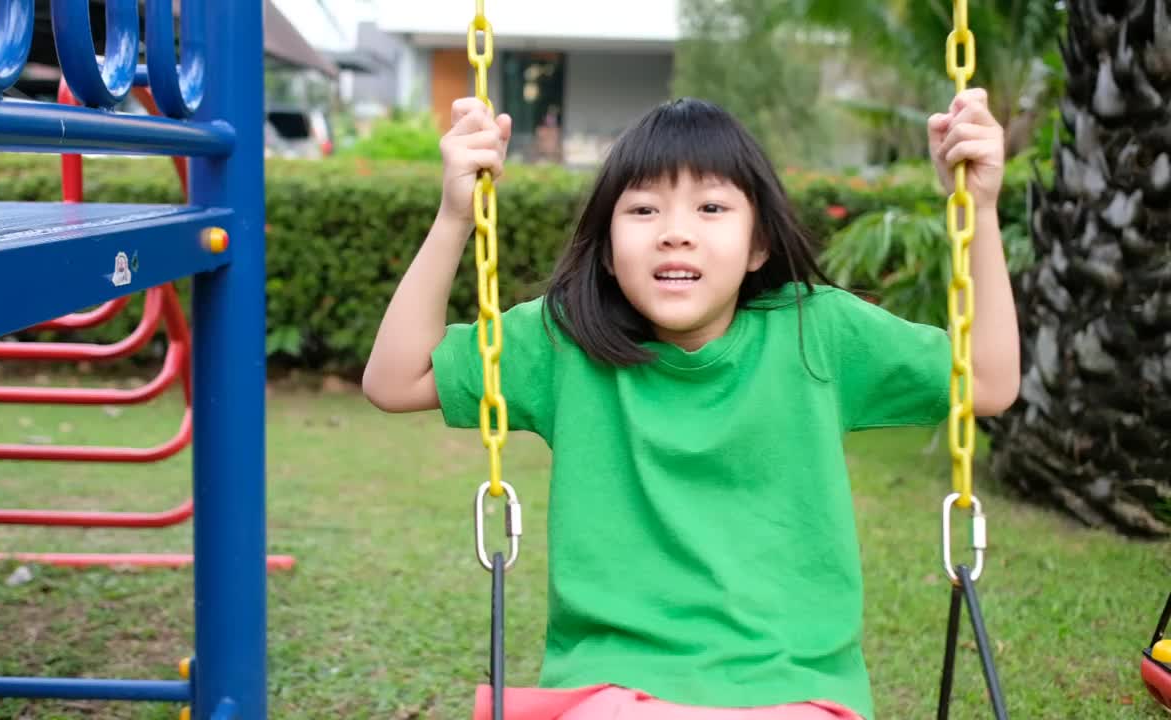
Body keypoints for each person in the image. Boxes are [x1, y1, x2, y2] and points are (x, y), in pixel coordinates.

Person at [361, 90, 1020, 720]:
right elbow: (395, 380)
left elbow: (989, 381)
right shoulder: (564, 341)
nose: (675, 233)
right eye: (643, 210)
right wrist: (455, 214)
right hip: (612, 689)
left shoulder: (815, 333)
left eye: (711, 208)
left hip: (793, 689)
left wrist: (978, 210)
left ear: (759, 243)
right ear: (610, 253)